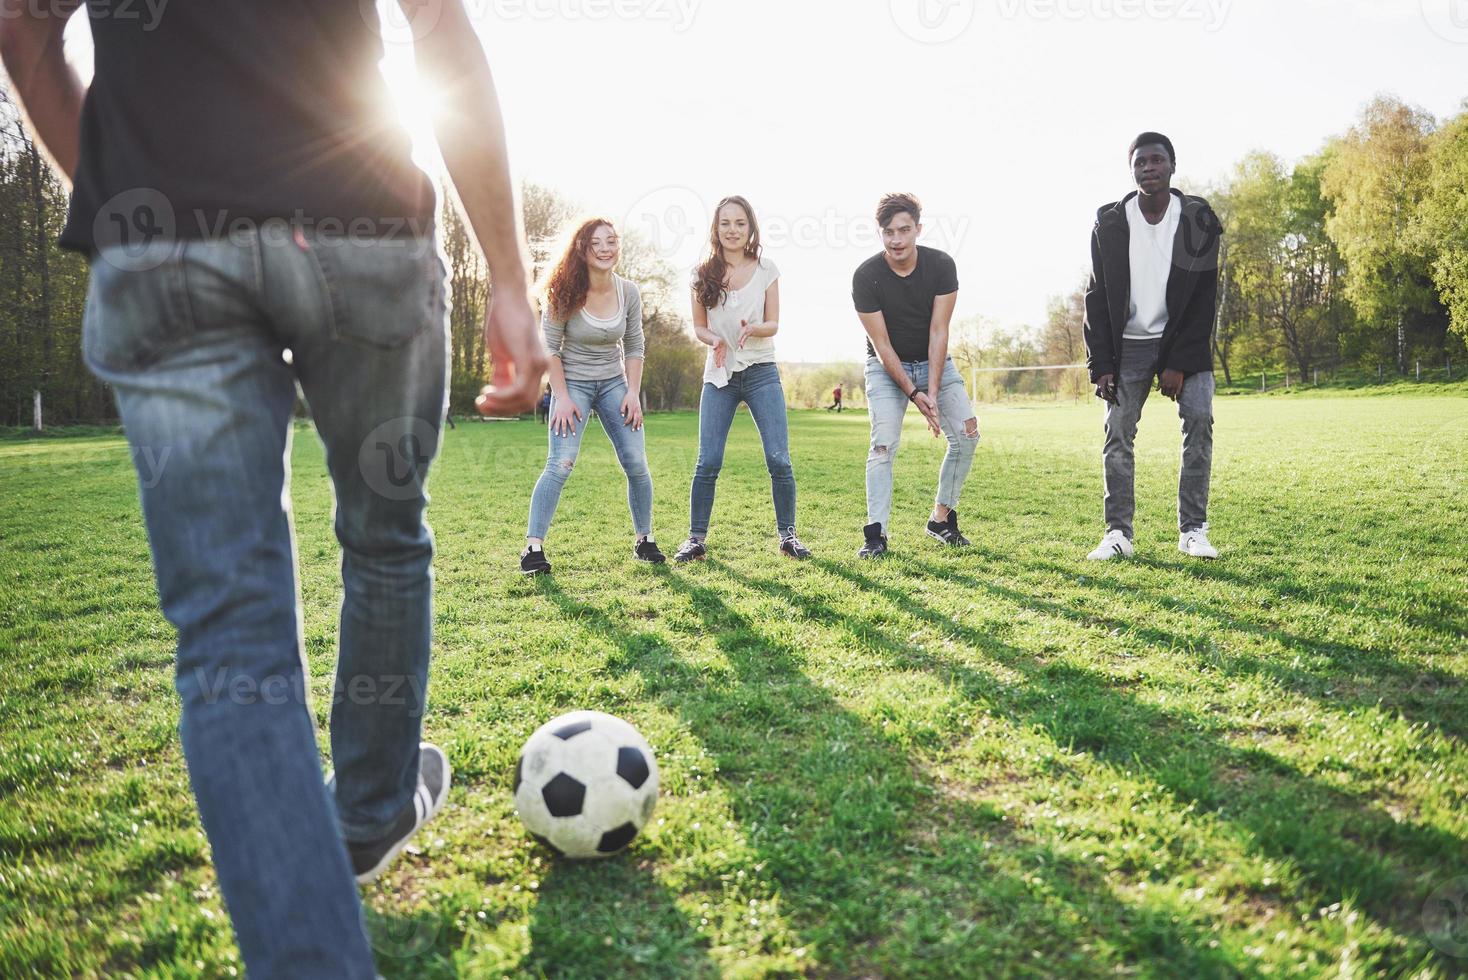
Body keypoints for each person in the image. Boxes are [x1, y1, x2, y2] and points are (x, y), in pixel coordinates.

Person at [0, 0, 546, 975]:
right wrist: (508, 275)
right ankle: (373, 809)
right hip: (359, 224)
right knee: (385, 534)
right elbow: (439, 28)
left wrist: (131, 202)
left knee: (228, 629)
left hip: (164, 246)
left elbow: (24, 28)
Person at [1083, 132, 1222, 561]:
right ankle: (1118, 534)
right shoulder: (1109, 222)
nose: (1148, 167)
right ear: (1132, 170)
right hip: (1127, 346)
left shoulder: (1198, 219)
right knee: (1117, 434)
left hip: (1184, 342)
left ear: (1172, 166)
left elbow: (1204, 298)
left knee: (1199, 422)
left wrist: (1177, 362)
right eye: (1140, 162)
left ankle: (1193, 530)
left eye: (1157, 160)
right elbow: (1096, 296)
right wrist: (1101, 363)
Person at [521, 218, 664, 575]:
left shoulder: (628, 291)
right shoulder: (562, 290)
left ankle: (644, 539)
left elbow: (634, 345)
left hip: (615, 383)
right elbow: (549, 348)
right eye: (597, 242)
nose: (605, 248)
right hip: (573, 385)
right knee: (561, 462)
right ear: (582, 249)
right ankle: (533, 549)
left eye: (612, 241)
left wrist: (632, 392)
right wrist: (563, 397)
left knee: (636, 462)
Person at [673, 195, 810, 562]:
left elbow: (774, 324)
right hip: (719, 375)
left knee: (779, 458)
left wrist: (756, 329)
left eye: (740, 223)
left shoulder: (767, 269)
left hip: (761, 371)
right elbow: (699, 327)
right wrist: (715, 339)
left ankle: (788, 535)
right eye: (725, 224)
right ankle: (695, 539)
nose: (732, 230)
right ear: (715, 230)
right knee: (709, 460)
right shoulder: (702, 273)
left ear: (750, 228)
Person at [852, 192, 979, 559]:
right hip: (886, 367)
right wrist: (913, 394)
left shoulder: (941, 266)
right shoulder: (866, 276)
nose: (897, 239)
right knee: (883, 445)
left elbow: (939, 331)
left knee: (967, 435)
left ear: (918, 229)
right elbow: (881, 345)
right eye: (888, 231)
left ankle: (940, 519)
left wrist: (933, 393)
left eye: (904, 230)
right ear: (880, 234)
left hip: (934, 362)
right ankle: (876, 534)